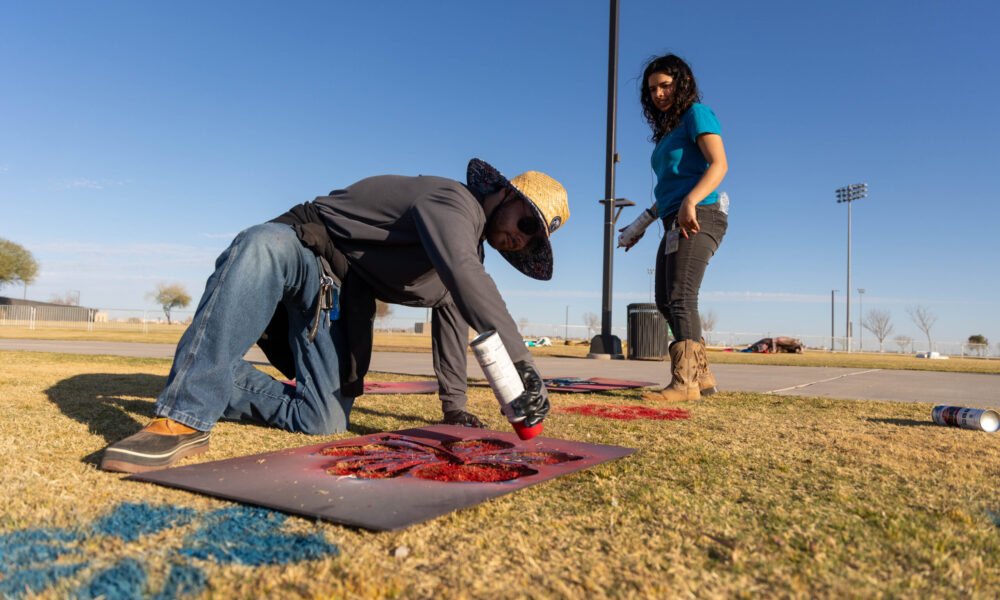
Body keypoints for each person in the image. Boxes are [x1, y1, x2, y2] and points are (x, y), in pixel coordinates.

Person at [100, 159, 570, 473]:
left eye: (533, 241)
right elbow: (468, 279)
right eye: (526, 224)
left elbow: (454, 318)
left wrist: (455, 409)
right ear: (505, 196)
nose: (521, 240)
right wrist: (526, 367)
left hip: (341, 297)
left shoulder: (463, 259)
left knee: (322, 421)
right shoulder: (454, 202)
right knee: (261, 244)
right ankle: (183, 416)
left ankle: (208, 370)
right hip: (305, 247)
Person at [618, 54, 729, 401]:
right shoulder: (668, 132)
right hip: (674, 218)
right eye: (652, 89)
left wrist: (691, 201)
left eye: (665, 85)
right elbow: (667, 192)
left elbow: (719, 164)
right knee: (665, 300)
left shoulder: (697, 114)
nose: (659, 94)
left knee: (681, 297)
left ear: (681, 84)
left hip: (701, 214)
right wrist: (639, 224)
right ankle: (703, 376)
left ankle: (684, 384)